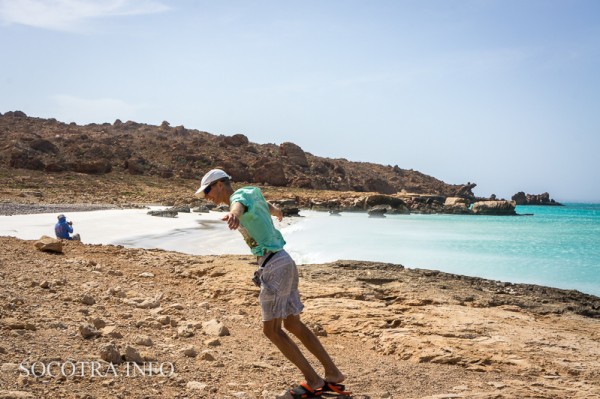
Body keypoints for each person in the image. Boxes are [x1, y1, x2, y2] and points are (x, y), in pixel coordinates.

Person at [196, 169, 350, 399]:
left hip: (274, 266)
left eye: (207, 190)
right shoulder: (250, 193)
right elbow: (263, 203)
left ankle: (314, 380)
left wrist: (234, 216)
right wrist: (276, 210)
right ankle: (333, 374)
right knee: (293, 324)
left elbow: (237, 207)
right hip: (284, 260)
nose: (206, 196)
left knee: (272, 330)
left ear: (219, 184)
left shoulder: (237, 200)